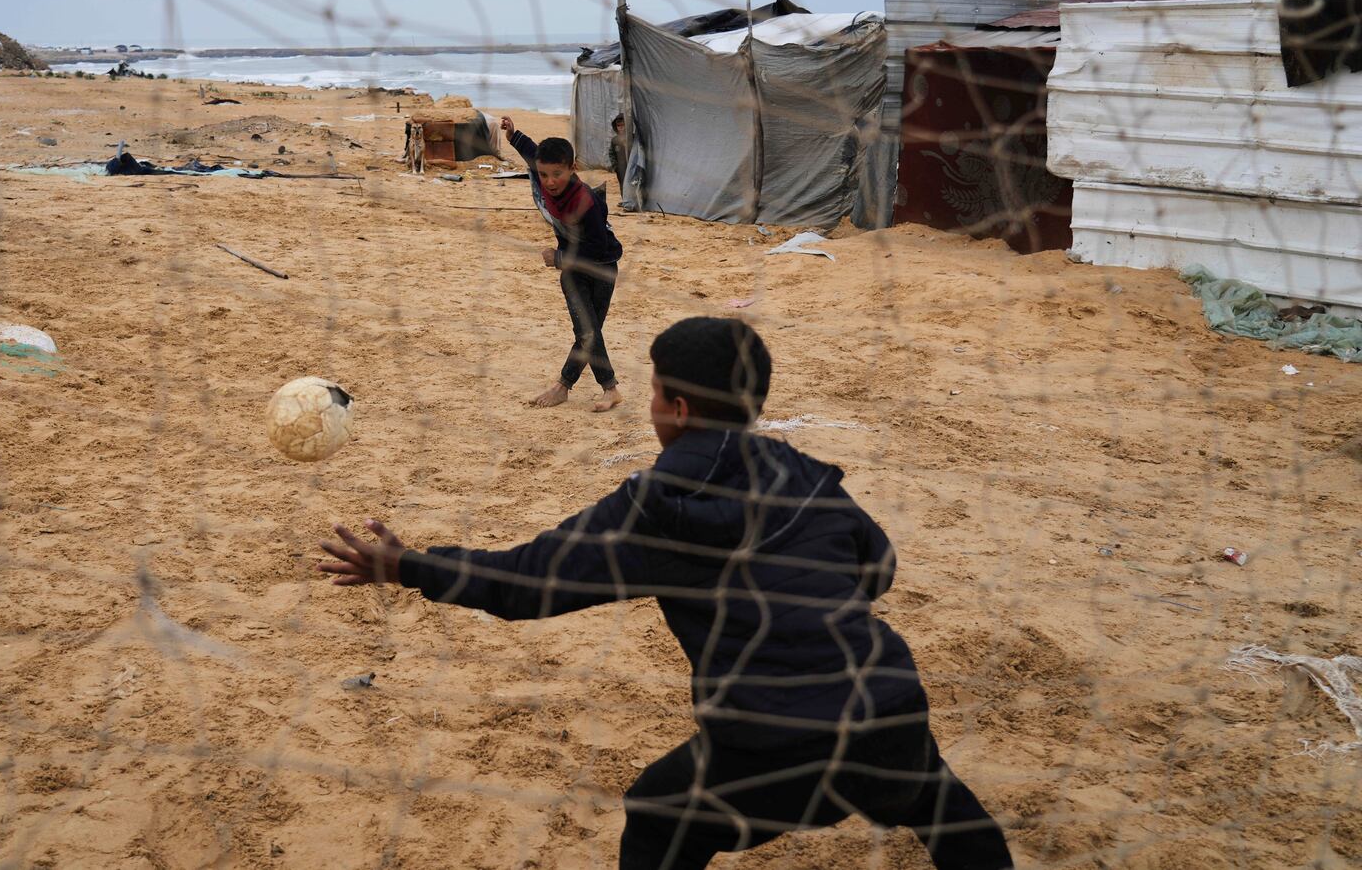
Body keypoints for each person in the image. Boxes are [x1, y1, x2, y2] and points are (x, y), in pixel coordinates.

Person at [318, 317, 1014, 870]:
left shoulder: (661, 504)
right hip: (886, 704)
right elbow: (880, 567)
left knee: (656, 816)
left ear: (677, 407)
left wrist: (408, 565)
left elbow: (527, 584)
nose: (650, 406)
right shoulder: (801, 471)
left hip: (774, 739)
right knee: (948, 813)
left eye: (653, 393)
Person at [499, 115, 623, 413]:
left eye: (558, 174)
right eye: (544, 175)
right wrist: (514, 135)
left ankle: (595, 388)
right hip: (572, 269)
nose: (550, 181)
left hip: (601, 267)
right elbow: (532, 153)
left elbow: (598, 248)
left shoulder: (586, 203)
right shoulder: (542, 172)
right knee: (586, 331)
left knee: (588, 332)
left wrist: (557, 257)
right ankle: (572, 387)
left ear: (573, 169)